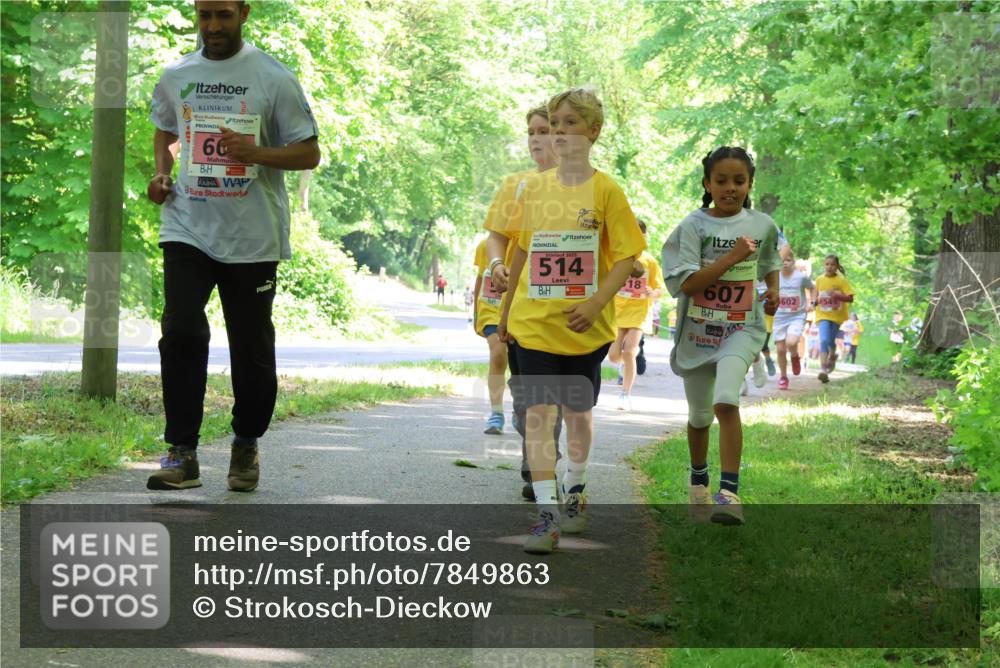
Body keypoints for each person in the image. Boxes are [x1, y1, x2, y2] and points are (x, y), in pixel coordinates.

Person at [145, 0, 320, 491]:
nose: (213, 26)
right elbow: (166, 132)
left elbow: (309, 152)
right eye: (204, 15)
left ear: (244, 12)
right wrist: (161, 173)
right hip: (187, 225)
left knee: (251, 346)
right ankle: (181, 452)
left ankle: (246, 442)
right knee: (181, 329)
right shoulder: (177, 75)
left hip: (252, 235)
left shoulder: (273, 77)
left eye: (223, 14)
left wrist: (255, 152)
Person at [498, 88, 646, 554]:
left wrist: (597, 302)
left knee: (578, 414)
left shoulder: (606, 191)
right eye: (554, 123)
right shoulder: (534, 189)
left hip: (585, 329)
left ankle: (576, 487)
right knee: (539, 415)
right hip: (534, 324)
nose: (559, 132)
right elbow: (522, 249)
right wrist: (505, 311)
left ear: (593, 131)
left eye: (569, 123)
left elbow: (627, 257)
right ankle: (546, 516)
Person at [661, 146, 780, 526]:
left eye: (739, 181)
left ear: (750, 184)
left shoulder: (762, 224)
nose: (731, 188)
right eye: (722, 181)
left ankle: (729, 494)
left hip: (741, 328)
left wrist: (773, 289)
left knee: (726, 401)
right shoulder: (693, 226)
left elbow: (768, 260)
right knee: (699, 417)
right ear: (707, 184)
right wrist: (731, 258)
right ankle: (699, 476)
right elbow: (687, 285)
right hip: (698, 331)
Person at [481, 103, 562, 502]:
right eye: (531, 132)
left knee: (554, 394)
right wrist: (498, 264)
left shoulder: (586, 186)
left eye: (544, 131)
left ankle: (541, 469)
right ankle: (537, 456)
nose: (536, 139)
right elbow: (496, 236)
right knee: (529, 395)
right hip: (521, 304)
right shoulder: (515, 184)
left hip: (565, 309)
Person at [608, 219, 663, 410]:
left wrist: (652, 292)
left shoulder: (650, 261)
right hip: (618, 311)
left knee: (630, 350)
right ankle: (626, 362)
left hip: (639, 312)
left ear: (644, 237)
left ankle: (625, 394)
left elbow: (659, 289)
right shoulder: (616, 258)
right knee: (614, 356)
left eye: (639, 235)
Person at [473, 238, 508, 434]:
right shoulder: (485, 246)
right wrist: (475, 313)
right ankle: (496, 413)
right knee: (498, 354)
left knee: (521, 362)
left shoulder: (528, 241)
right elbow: (480, 278)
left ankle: (523, 410)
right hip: (491, 309)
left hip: (519, 309)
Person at [772, 251, 814, 389]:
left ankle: (795, 356)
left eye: (788, 260)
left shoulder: (800, 277)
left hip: (796, 315)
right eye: (782, 260)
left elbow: (813, 288)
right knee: (780, 350)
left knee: (791, 342)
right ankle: (783, 377)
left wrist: (812, 303)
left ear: (793, 262)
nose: (785, 263)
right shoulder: (774, 276)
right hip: (779, 317)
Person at [812, 254, 854, 383]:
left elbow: (850, 298)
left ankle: (832, 355)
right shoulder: (819, 279)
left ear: (837, 267)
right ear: (824, 265)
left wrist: (837, 295)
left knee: (830, 340)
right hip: (823, 315)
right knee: (824, 339)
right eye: (827, 264)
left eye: (832, 264)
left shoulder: (841, 281)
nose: (829, 267)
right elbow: (815, 296)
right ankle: (823, 369)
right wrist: (814, 302)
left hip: (837, 316)